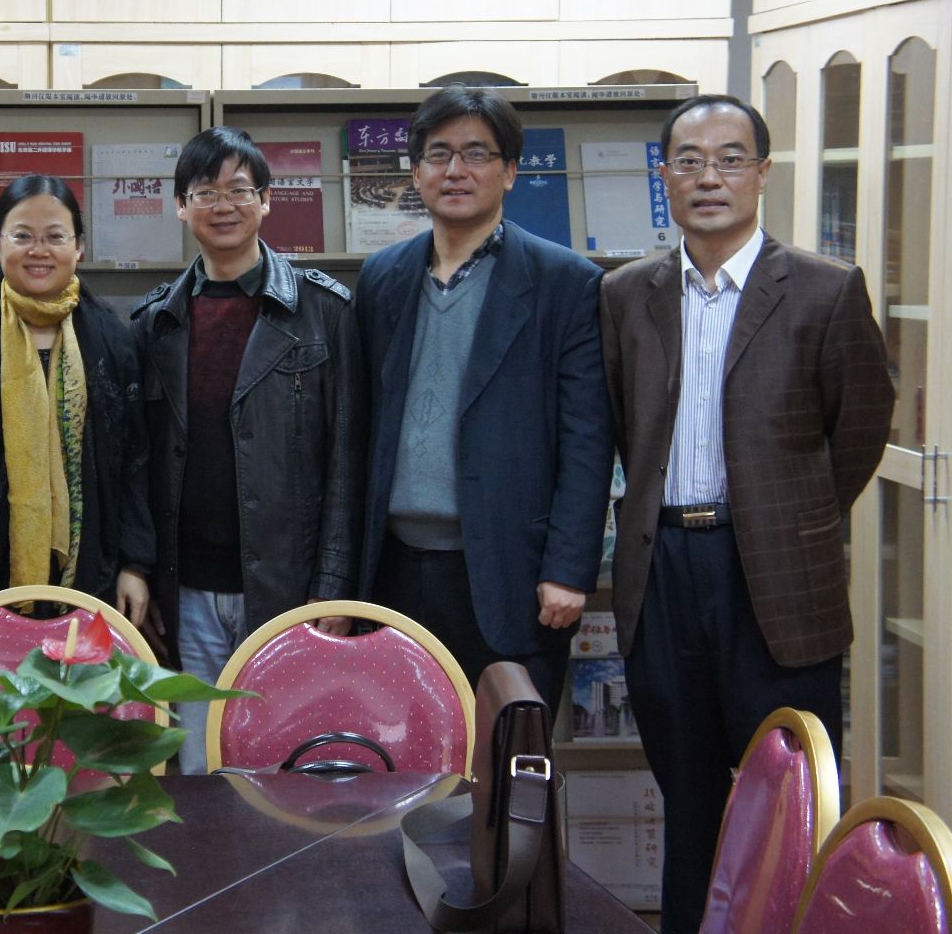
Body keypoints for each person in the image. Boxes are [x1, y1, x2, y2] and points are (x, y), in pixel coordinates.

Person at [600, 93, 894, 933]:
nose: (710, 178)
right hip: (664, 575)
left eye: (730, 159)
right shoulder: (625, 293)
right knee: (688, 797)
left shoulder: (825, 289)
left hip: (777, 580)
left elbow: (861, 426)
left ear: (763, 173)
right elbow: (623, 420)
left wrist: (790, 517)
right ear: (665, 177)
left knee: (791, 801)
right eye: (689, 162)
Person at [355, 87, 613, 708]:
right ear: (415, 171)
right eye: (438, 154)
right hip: (391, 569)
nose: (456, 170)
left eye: (476, 154)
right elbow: (360, 424)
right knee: (399, 750)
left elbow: (587, 439)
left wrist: (567, 568)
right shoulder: (382, 276)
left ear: (511, 171)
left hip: (508, 569)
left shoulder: (565, 283)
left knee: (507, 755)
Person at [133, 126, 365, 774]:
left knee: (289, 766)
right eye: (205, 192)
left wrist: (332, 589)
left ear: (266, 200)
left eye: (239, 190)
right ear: (180, 207)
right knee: (198, 766)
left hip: (289, 588)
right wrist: (142, 571)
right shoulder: (155, 322)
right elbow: (140, 465)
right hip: (185, 593)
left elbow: (348, 463)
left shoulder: (325, 312)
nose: (223, 205)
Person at [0, 174, 153, 621]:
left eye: (55, 237)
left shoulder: (113, 342)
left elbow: (135, 464)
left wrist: (134, 564)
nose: (39, 251)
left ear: (79, 247)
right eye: (22, 236)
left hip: (93, 575)